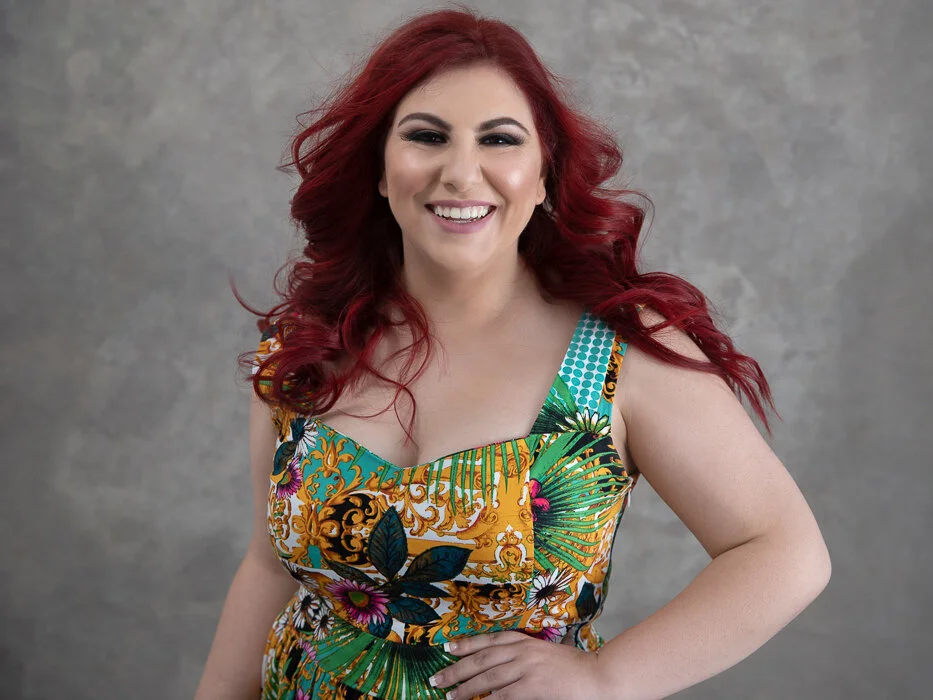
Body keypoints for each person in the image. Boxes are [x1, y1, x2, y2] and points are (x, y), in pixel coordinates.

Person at [195, 8, 831, 700]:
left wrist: (608, 678)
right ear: (379, 169)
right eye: (426, 136)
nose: (460, 172)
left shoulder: (618, 352)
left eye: (499, 140)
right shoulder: (310, 342)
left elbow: (784, 551)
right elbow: (268, 567)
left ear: (543, 174)